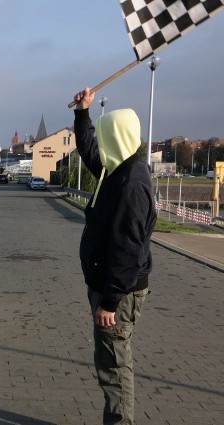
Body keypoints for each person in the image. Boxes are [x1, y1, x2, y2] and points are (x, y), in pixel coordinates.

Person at [73, 88, 157, 424]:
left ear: (118, 138)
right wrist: (83, 114)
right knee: (109, 362)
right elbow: (91, 151)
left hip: (118, 295)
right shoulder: (115, 170)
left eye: (107, 135)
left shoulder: (131, 184)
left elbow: (128, 250)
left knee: (115, 367)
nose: (102, 143)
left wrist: (109, 301)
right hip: (109, 287)